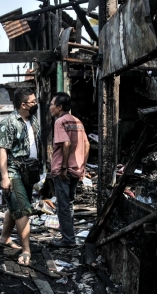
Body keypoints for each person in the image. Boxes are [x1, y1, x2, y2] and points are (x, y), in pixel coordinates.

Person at [0, 88, 41, 266]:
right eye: (33, 101)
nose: (36, 104)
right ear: (23, 105)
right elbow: (2, 151)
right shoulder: (8, 123)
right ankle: (26, 250)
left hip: (29, 170)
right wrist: (5, 177)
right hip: (13, 170)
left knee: (16, 205)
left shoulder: (33, 121)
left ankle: (4, 238)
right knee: (22, 210)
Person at [48, 92, 90, 248]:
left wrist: (64, 167)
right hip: (76, 169)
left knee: (63, 205)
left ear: (59, 107)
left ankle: (68, 240)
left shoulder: (60, 121)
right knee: (69, 204)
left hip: (63, 171)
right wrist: (83, 166)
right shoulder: (77, 121)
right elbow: (87, 145)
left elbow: (65, 144)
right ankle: (69, 236)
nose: (50, 107)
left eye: (52, 104)